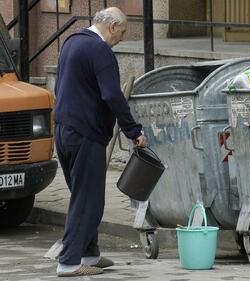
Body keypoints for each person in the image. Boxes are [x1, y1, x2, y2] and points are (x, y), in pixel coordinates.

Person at [53, 7, 147, 277]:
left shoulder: (72, 42)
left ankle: (90, 254)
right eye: (123, 31)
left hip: (64, 130)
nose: (122, 37)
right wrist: (133, 130)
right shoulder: (100, 50)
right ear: (112, 26)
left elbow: (60, 86)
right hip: (85, 133)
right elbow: (112, 95)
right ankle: (69, 263)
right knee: (87, 200)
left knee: (84, 196)